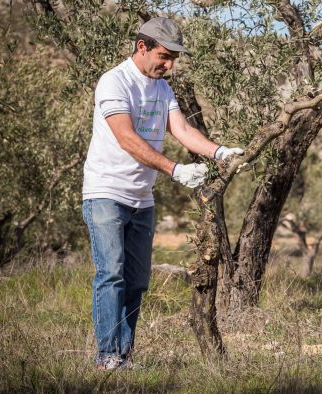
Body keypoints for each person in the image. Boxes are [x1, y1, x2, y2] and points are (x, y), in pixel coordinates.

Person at [81, 16, 243, 371]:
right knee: (112, 274)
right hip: (106, 193)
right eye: (165, 56)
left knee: (137, 281)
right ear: (143, 47)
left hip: (142, 199)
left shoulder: (163, 88)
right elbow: (126, 138)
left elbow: (181, 129)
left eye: (174, 59)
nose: (169, 65)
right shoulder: (114, 81)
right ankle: (106, 357)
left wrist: (220, 152)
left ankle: (124, 356)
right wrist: (175, 169)